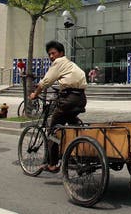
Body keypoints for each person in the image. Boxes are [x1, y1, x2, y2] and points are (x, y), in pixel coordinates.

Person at [29, 40, 86, 173]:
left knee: (53, 129)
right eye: (49, 54)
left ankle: (52, 164)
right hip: (80, 98)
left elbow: (46, 82)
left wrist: (34, 94)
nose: (51, 56)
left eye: (53, 53)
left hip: (69, 99)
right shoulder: (70, 64)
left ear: (61, 53)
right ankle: (75, 153)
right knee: (72, 124)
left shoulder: (59, 62)